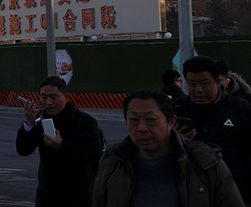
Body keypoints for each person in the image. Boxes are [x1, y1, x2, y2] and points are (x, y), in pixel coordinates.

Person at [93, 88, 243, 207]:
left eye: (151, 120)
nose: (141, 128)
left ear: (171, 122)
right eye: (133, 120)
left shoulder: (205, 162)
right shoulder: (112, 162)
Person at [173, 55, 251, 205]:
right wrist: (175, 140)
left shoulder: (241, 108)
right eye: (192, 84)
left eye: (204, 84)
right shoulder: (177, 109)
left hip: (236, 192)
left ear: (217, 82)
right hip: (192, 192)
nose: (198, 90)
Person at [16, 76, 103, 207]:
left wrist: (62, 145)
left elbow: (96, 156)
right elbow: (23, 150)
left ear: (66, 97)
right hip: (46, 196)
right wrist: (29, 124)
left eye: (53, 97)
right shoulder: (40, 119)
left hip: (77, 196)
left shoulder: (85, 121)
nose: (48, 102)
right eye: (44, 97)